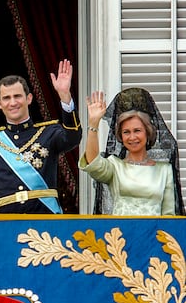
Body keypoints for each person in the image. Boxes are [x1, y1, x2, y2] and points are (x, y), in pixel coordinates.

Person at [0, 59, 82, 214]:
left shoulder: (49, 132)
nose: (12, 103)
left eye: (17, 96)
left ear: (29, 98)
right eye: (6, 98)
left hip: (44, 218)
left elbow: (73, 138)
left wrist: (65, 96)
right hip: (6, 224)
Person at [79, 88, 185, 216]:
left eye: (137, 131)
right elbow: (93, 163)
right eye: (126, 132)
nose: (132, 137)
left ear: (148, 132)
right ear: (121, 137)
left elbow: (169, 216)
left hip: (153, 235)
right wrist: (93, 124)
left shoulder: (165, 171)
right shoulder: (115, 166)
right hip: (120, 234)